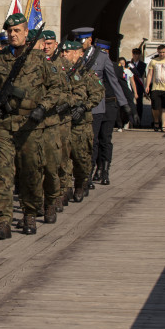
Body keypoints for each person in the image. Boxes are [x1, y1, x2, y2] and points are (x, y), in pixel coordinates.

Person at [0, 13, 62, 238]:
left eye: (17, 30)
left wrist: (43, 107)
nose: (13, 34)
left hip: (30, 125)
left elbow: (56, 88)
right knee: (2, 173)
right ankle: (3, 222)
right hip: (3, 125)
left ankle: (29, 214)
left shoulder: (39, 60)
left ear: (26, 33)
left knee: (31, 172)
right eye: (9, 31)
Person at [71, 28, 129, 186]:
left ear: (89, 40)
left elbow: (114, 81)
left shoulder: (102, 57)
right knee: (81, 142)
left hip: (96, 106)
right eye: (77, 41)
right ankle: (84, 173)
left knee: (95, 141)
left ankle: (92, 174)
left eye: (81, 41)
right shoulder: (73, 55)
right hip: (78, 106)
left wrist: (124, 104)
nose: (79, 44)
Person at [34, 30, 71, 223]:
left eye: (49, 43)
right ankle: (36, 204)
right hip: (30, 123)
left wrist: (57, 103)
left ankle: (51, 200)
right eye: (43, 43)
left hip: (50, 123)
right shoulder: (27, 65)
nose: (46, 47)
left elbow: (65, 92)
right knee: (32, 168)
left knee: (51, 167)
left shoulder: (57, 66)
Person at [60, 40, 104, 202]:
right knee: (63, 158)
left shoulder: (86, 73)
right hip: (64, 122)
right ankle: (65, 188)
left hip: (81, 123)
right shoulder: (61, 71)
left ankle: (81, 183)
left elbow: (98, 93)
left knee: (80, 157)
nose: (64, 54)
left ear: (79, 53)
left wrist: (84, 107)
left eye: (68, 52)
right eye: (63, 52)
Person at [129, 47, 146, 125]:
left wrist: (132, 68)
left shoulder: (143, 64)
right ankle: (131, 120)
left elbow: (139, 73)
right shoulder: (128, 63)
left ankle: (139, 120)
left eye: (137, 54)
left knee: (139, 104)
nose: (136, 56)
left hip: (138, 85)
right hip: (130, 85)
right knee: (130, 103)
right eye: (134, 54)